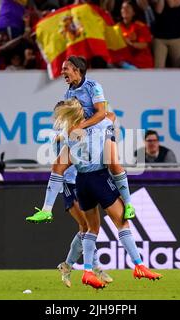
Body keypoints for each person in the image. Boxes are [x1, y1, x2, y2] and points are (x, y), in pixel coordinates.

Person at [41, 98, 162, 289]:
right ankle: (137, 265)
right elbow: (111, 119)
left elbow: (59, 164)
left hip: (80, 181)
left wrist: (47, 206)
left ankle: (86, 269)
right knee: (120, 222)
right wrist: (100, 116)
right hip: (92, 179)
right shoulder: (99, 125)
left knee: (89, 228)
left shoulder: (66, 132)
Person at [26, 56, 135, 223]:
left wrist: (80, 126)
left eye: (65, 69)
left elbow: (100, 113)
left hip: (103, 127)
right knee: (58, 165)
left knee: (113, 163)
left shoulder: (93, 87)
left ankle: (128, 204)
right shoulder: (69, 91)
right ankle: (46, 210)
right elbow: (72, 118)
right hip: (85, 134)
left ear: (77, 70)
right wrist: (65, 132)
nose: (62, 72)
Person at [50, 102, 113, 288]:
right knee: (87, 226)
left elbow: (109, 116)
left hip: (83, 182)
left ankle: (69, 266)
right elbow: (61, 140)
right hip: (69, 184)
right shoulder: (61, 131)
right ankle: (93, 267)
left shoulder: (81, 127)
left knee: (85, 228)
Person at [117, 0, 154, 69]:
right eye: (123, 8)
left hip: (142, 64)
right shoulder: (117, 27)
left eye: (127, 7)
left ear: (133, 12)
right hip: (125, 64)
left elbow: (144, 45)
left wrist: (130, 43)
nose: (124, 10)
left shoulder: (140, 26)